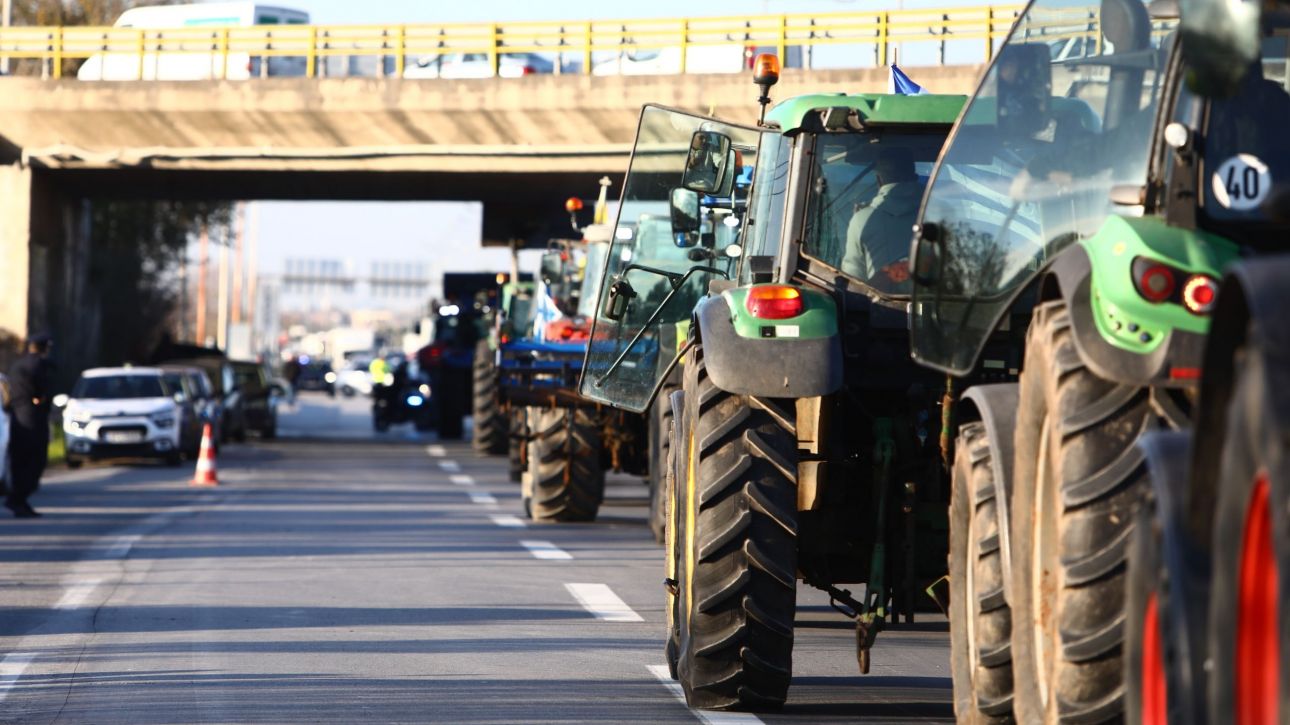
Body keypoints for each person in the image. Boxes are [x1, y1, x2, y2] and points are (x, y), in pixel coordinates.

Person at [841, 147, 924, 290]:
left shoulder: (862, 220)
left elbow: (853, 282)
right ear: (915, 177)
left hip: (881, 309)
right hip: (945, 308)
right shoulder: (944, 214)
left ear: (879, 180)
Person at [6, 333, 56, 518]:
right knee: (36, 461)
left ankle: (19, 501)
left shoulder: (17, 365)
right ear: (44, 348)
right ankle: (18, 499)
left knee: (20, 461)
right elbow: (42, 392)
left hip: (17, 419)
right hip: (34, 419)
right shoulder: (40, 365)